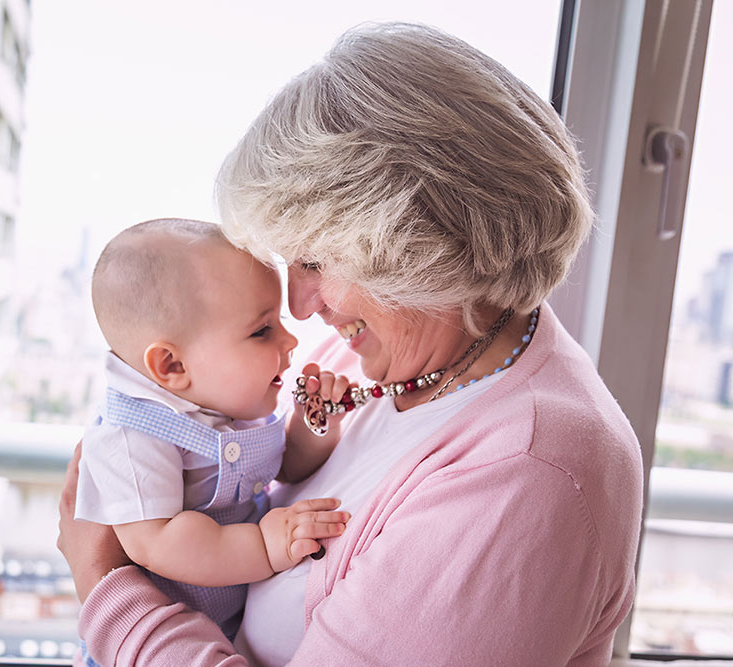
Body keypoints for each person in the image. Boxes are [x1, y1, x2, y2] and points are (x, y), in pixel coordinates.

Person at [58, 22, 643, 666]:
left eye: (314, 261)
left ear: (421, 248)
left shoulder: (529, 476)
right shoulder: (378, 352)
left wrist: (105, 586)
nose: (299, 307)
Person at [76, 218, 352, 645]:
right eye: (262, 330)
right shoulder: (133, 437)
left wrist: (316, 424)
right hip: (166, 641)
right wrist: (263, 546)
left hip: (227, 628)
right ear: (172, 366)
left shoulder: (228, 400)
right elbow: (158, 542)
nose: (290, 340)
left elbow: (287, 467)